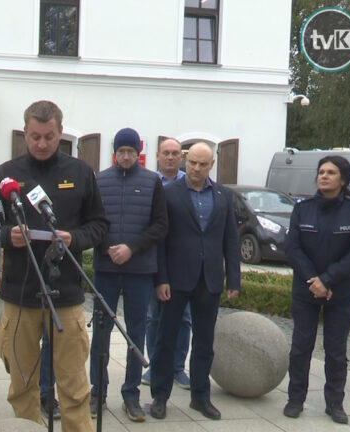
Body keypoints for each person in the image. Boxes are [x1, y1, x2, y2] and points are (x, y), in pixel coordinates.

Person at [0, 100, 108, 432]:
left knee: (74, 386)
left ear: (61, 132)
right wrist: (8, 235)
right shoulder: (6, 174)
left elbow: (99, 225)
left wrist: (73, 238)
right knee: (22, 384)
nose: (41, 143)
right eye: (34, 136)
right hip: (20, 294)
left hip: (65, 293)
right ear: (25, 132)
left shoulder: (80, 172)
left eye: (49, 136)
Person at [149, 142, 240, 421]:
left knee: (204, 342)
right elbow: (160, 241)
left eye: (202, 164)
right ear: (184, 162)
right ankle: (160, 396)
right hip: (175, 279)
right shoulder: (168, 194)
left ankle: (200, 397)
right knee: (166, 340)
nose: (196, 168)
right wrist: (160, 278)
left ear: (211, 165)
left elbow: (231, 240)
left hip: (209, 280)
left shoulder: (224, 196)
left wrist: (233, 279)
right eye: (192, 163)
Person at [282, 155, 350, 424]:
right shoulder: (303, 208)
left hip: (339, 293)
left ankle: (335, 403)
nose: (324, 176)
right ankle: (295, 399)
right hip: (306, 290)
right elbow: (292, 248)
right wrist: (314, 280)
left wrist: (328, 280)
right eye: (321, 172)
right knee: (300, 347)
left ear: (342, 179)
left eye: (331, 172)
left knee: (335, 351)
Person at [88, 127, 168, 422]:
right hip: (106, 268)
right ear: (114, 153)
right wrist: (106, 247)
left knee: (136, 332)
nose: (125, 157)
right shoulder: (100, 180)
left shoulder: (152, 182)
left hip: (138, 270)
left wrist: (131, 248)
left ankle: (131, 395)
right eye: (120, 152)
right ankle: (98, 391)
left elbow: (160, 225)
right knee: (101, 332)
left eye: (130, 152)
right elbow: (91, 221)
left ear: (139, 154)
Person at [142, 137, 191, 389]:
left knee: (183, 317)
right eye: (166, 153)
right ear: (158, 156)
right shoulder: (150, 183)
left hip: (183, 261)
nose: (170, 157)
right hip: (154, 258)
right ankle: (155, 365)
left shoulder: (190, 183)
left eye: (175, 153)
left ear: (180, 157)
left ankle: (177, 366)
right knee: (154, 316)